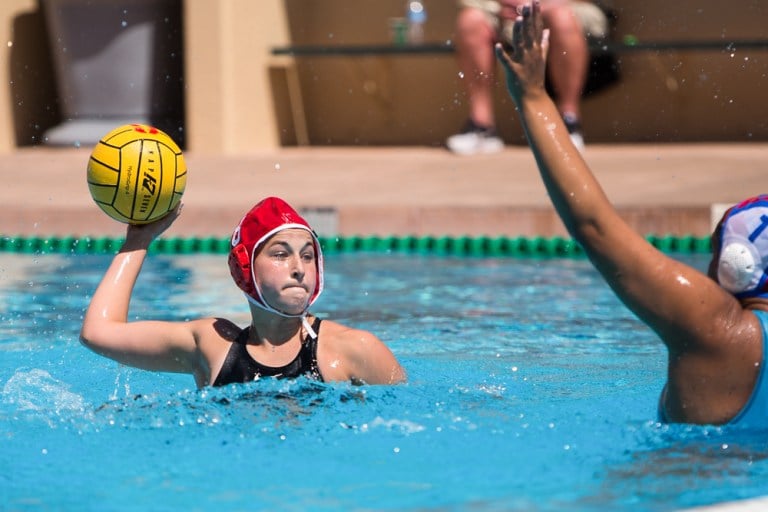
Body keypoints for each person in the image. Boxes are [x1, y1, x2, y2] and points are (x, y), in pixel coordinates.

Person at [496, 2, 768, 427]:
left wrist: (533, 98)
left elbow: (594, 226)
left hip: (693, 483)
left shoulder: (718, 332)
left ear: (735, 265)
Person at [80, 196, 406, 389]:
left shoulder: (354, 350)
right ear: (242, 269)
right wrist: (139, 240)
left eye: (308, 255)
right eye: (280, 254)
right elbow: (98, 332)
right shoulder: (212, 345)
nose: (298, 267)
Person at [446, 0, 608, 155]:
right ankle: (481, 126)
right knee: (470, 20)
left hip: (564, 7)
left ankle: (568, 122)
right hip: (504, 12)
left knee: (562, 18)